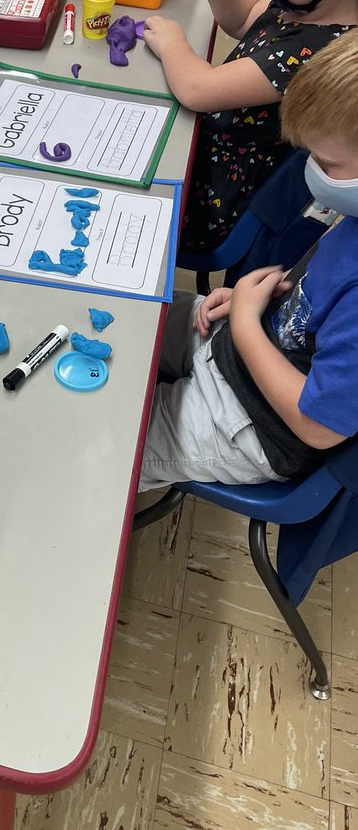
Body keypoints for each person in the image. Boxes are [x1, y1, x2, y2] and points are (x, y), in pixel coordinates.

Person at [139, 29, 358, 492]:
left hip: (252, 426)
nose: (314, 172)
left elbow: (318, 426)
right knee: (133, 312)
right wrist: (249, 300)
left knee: (104, 441)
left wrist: (243, 324)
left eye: (327, 162)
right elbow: (320, 295)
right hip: (243, 343)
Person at [143, 0, 358, 253]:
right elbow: (243, 18)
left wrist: (175, 44)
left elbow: (197, 90)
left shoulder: (319, 54)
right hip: (198, 149)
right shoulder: (308, 4)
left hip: (212, 199)